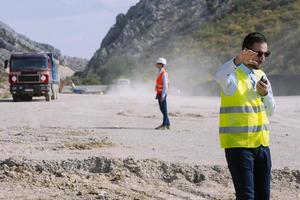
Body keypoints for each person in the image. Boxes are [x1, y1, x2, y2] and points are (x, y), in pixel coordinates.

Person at [215, 32, 276, 200]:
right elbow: (219, 76)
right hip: (239, 147)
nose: (262, 57)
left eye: (266, 53)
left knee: (263, 196)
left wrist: (264, 94)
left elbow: (271, 110)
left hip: (262, 146)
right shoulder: (232, 74)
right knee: (246, 197)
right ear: (245, 52)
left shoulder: (261, 76)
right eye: (259, 53)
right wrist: (236, 61)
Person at [155, 57, 170, 130]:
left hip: (162, 94)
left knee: (164, 109)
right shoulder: (159, 72)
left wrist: (163, 95)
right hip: (159, 93)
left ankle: (164, 125)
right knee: (162, 109)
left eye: (158, 63)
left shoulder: (164, 73)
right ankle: (167, 123)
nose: (156, 65)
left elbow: (165, 85)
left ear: (161, 64)